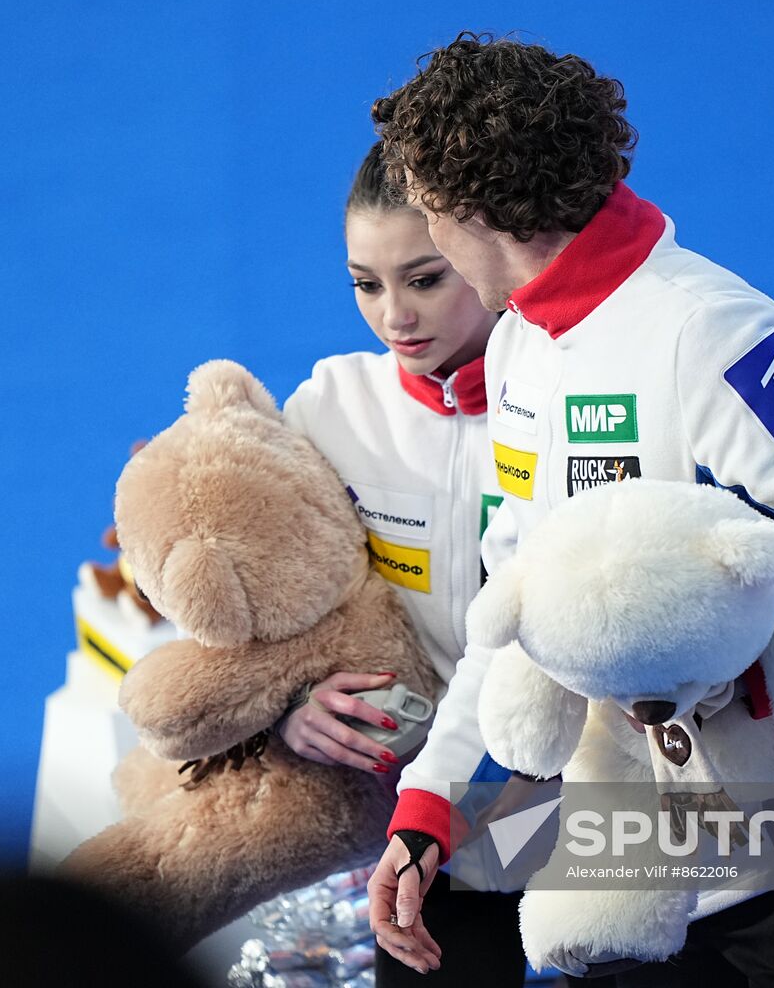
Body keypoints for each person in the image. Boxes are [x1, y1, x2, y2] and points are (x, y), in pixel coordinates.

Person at [364, 34, 774, 987]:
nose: (432, 240)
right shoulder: (518, 348)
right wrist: (433, 807)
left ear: (475, 209)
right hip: (631, 867)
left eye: (431, 214)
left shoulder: (709, 330)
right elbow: (518, 612)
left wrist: (731, 666)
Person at [278, 141, 537, 986]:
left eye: (425, 279)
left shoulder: (576, 397)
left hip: (600, 797)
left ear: (486, 251)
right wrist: (290, 706)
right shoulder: (330, 410)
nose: (395, 316)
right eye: (366, 283)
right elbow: (272, 602)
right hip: (437, 819)